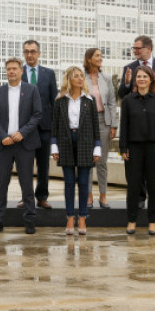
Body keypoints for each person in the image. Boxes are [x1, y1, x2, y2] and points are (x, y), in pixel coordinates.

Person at [118, 35, 155, 210]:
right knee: (137, 165)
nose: (134, 51)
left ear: (148, 49)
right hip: (136, 120)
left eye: (138, 48)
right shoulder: (129, 68)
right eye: (133, 49)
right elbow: (122, 93)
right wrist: (128, 83)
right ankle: (139, 198)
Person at [0, 58, 42, 234]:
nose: (11, 71)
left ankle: (30, 220)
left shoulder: (31, 90)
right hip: (4, 145)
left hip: (24, 144)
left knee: (26, 184)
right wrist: (3, 136)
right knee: (1, 184)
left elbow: (37, 114)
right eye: (8, 69)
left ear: (21, 71)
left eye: (14, 69)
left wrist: (23, 132)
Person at [120, 66, 155, 236]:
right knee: (133, 186)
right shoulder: (127, 100)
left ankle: (153, 222)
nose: (141, 79)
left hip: (154, 147)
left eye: (144, 76)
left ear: (151, 79)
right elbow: (124, 125)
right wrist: (123, 147)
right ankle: (131, 220)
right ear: (135, 80)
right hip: (133, 148)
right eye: (138, 76)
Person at [52, 66, 100, 235]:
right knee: (69, 183)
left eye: (81, 76)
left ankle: (82, 219)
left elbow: (95, 126)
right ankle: (70, 218)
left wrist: (97, 148)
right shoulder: (60, 101)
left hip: (85, 143)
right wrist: (54, 146)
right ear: (69, 79)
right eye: (76, 76)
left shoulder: (89, 100)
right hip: (65, 142)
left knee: (83, 183)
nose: (80, 78)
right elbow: (55, 126)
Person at [17, 39, 57, 210]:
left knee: (43, 165)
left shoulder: (49, 74)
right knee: (25, 165)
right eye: (26, 51)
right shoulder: (18, 73)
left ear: (39, 53)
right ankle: (26, 197)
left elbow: (54, 101)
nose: (30, 55)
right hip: (24, 128)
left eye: (33, 51)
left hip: (44, 128)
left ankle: (41, 197)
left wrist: (55, 128)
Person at [83, 48, 118, 209]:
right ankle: (88, 196)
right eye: (97, 55)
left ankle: (103, 196)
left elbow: (112, 102)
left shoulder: (107, 78)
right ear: (89, 59)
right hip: (86, 123)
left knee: (102, 162)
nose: (100, 58)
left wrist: (113, 124)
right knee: (88, 161)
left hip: (104, 121)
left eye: (101, 56)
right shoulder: (80, 77)